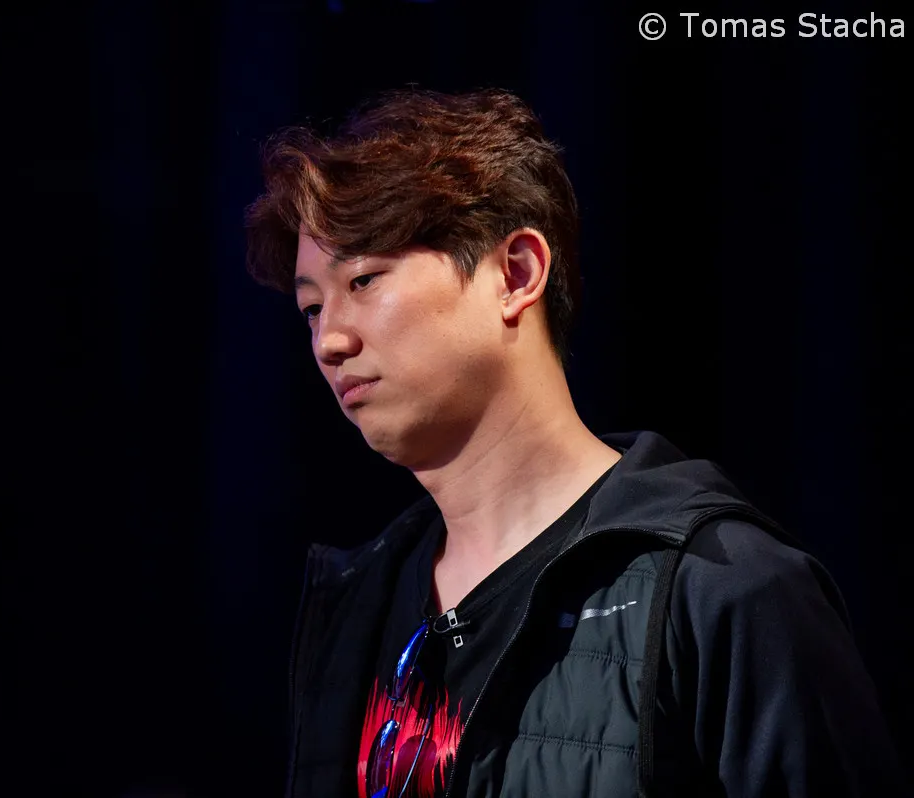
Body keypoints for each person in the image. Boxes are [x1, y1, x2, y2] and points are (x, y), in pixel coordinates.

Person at [243, 88, 906, 797]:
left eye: (364, 279)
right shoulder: (358, 604)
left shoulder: (727, 589)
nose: (329, 341)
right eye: (311, 308)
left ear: (516, 273)